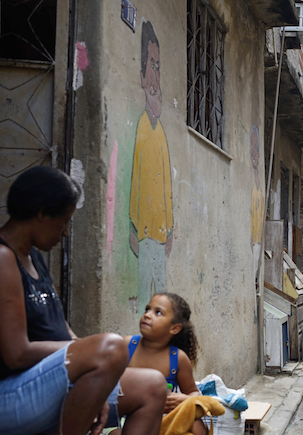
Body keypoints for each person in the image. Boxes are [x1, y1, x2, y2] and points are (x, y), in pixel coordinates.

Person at [0, 166, 167, 435]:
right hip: (8, 398)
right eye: (64, 221)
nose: (66, 232)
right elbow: (17, 353)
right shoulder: (0, 257)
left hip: (49, 386)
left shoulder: (33, 257)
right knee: (111, 346)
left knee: (153, 385)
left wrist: (101, 383)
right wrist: (91, 354)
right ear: (41, 213)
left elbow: (63, 331)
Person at [102, 292, 206, 435]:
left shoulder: (177, 358)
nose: (147, 315)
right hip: (121, 422)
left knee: (199, 428)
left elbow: (194, 392)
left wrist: (185, 399)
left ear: (174, 328)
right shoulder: (126, 345)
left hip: (162, 423)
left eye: (158, 312)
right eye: (147, 309)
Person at [130, 20, 174, 310]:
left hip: (160, 233)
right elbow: (136, 181)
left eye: (158, 67)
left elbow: (167, 187)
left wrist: (170, 230)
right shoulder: (142, 128)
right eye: (151, 66)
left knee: (163, 296)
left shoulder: (161, 133)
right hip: (144, 233)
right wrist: (133, 227)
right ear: (142, 75)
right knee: (145, 295)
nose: (155, 77)